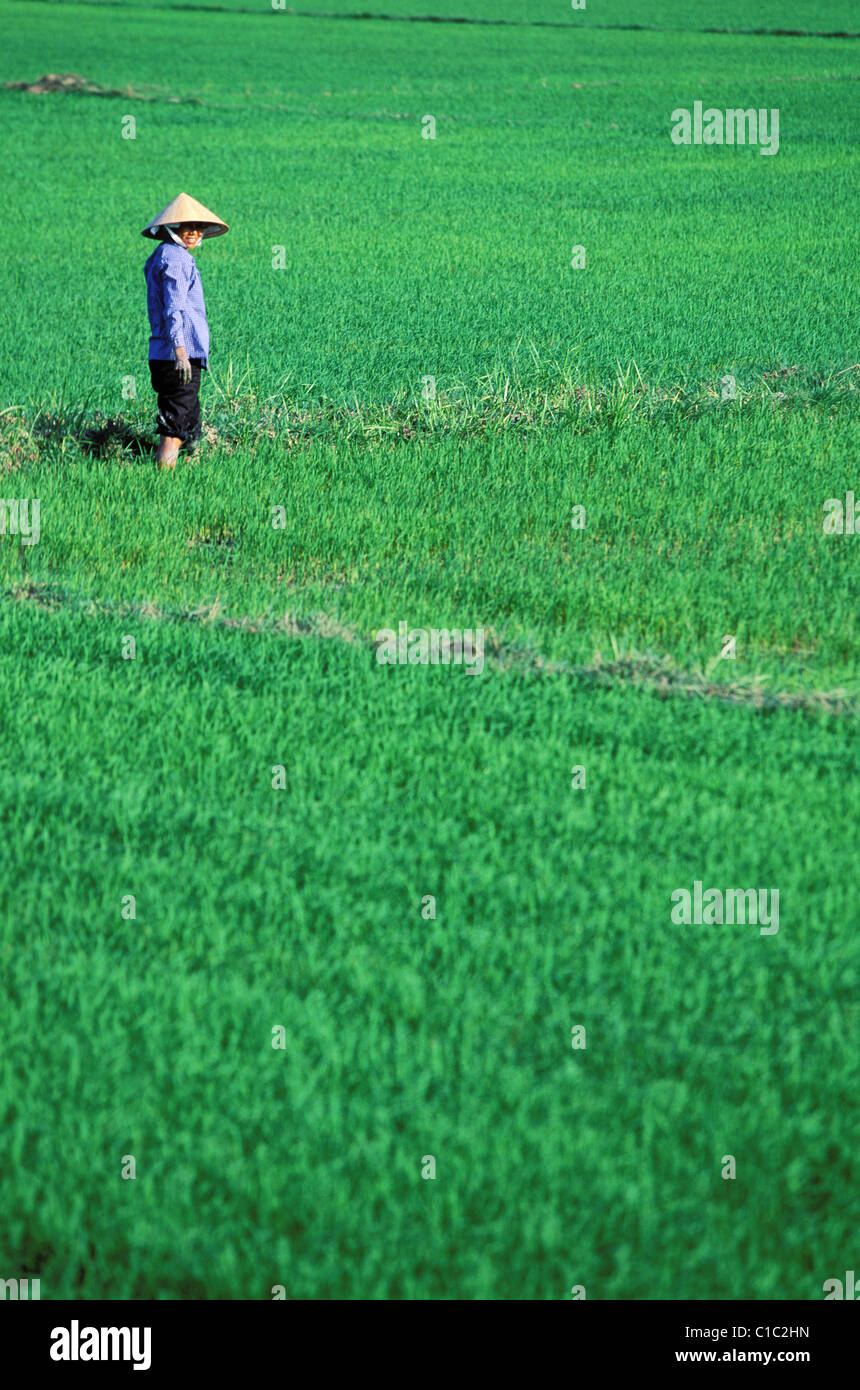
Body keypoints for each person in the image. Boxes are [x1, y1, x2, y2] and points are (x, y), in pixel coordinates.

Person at [141, 192, 229, 469]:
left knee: (188, 421)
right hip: (178, 357)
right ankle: (163, 481)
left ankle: (184, 477)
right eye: (186, 226)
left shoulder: (164, 255)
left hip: (168, 355)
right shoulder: (176, 260)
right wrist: (180, 351)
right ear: (172, 228)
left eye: (198, 227)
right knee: (175, 426)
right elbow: (173, 309)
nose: (193, 232)